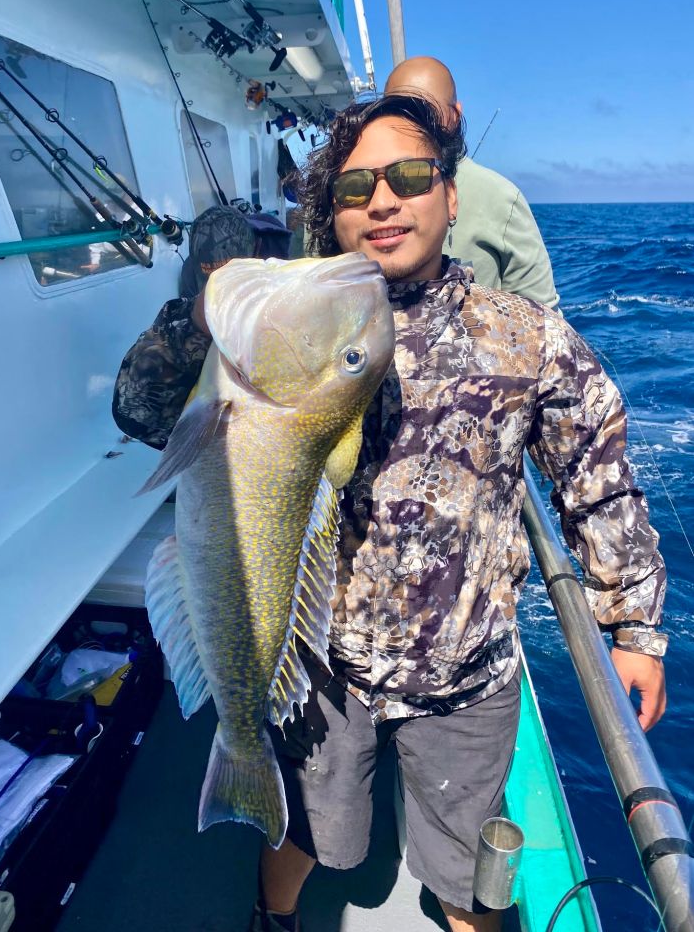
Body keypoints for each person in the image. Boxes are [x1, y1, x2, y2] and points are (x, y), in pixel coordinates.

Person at [112, 94, 667, 932]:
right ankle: (274, 916)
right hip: (322, 664)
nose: (381, 200)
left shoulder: (526, 336)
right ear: (329, 213)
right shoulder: (282, 311)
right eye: (353, 187)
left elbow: (597, 476)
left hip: (465, 673)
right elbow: (139, 409)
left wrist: (632, 629)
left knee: (465, 867)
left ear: (450, 194)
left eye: (408, 176)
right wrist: (198, 322)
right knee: (310, 833)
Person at [386, 57, 560, 309]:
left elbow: (541, 318)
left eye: (427, 113)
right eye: (401, 114)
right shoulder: (502, 194)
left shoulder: (502, 198)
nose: (415, 125)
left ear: (451, 195)